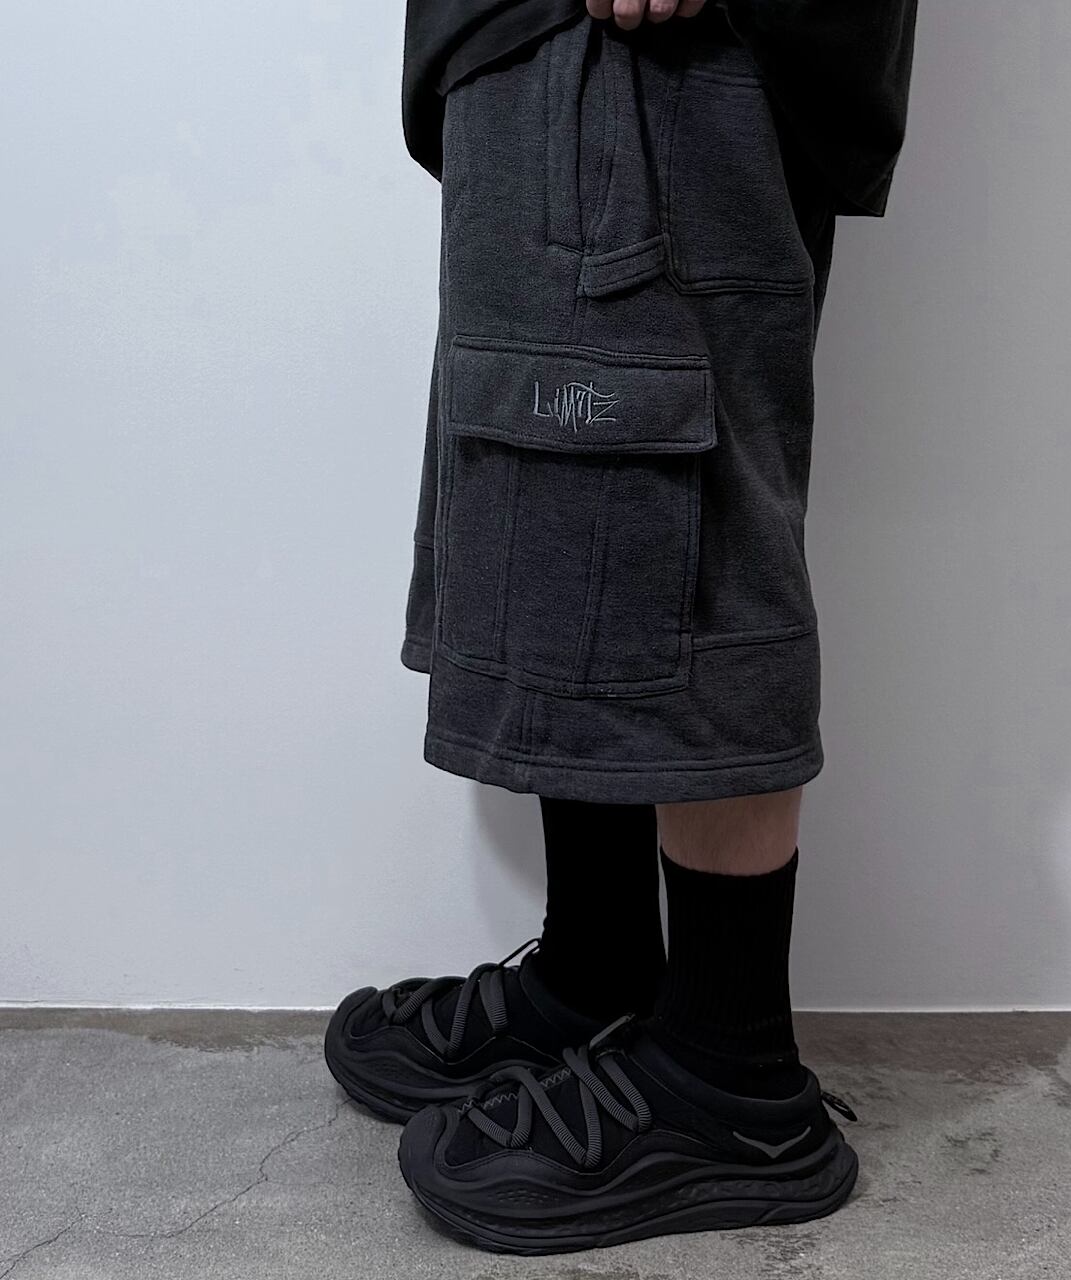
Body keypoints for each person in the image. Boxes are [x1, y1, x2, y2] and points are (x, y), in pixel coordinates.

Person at [325, 0, 918, 1255]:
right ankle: (598, 971)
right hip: (522, 44)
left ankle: (731, 1076)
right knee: (551, 488)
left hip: (667, 45)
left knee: (670, 500)